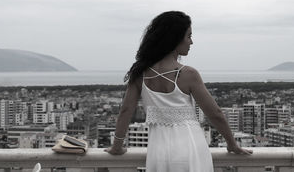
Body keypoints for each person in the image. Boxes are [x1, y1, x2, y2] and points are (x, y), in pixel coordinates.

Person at [105, 11, 252, 171]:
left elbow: (125, 111)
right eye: (189, 36)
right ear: (175, 39)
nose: (191, 42)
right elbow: (215, 113)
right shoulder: (188, 74)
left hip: (158, 152)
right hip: (190, 147)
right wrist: (231, 144)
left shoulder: (140, 73)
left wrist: (117, 147)